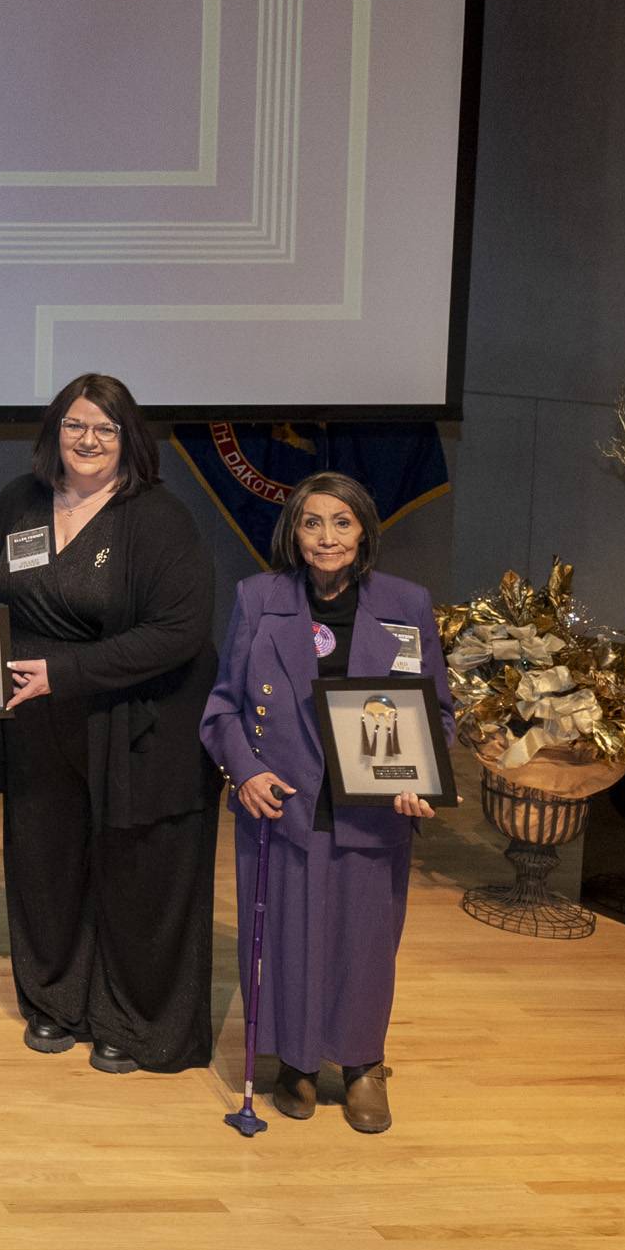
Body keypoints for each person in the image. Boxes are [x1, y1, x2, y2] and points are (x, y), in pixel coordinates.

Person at [0, 372, 218, 1074]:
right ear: (56, 431)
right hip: (34, 721)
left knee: (135, 874)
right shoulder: (19, 501)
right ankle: (57, 1000)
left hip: (136, 721)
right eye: (76, 425)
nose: (88, 440)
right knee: (44, 863)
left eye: (105, 429)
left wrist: (67, 674)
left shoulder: (157, 516)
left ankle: (133, 1019)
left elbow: (180, 630)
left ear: (128, 440)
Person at [201, 472, 447, 1134]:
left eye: (341, 522)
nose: (327, 537)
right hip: (282, 807)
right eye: (313, 522)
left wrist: (419, 781)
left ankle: (363, 1064)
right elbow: (223, 707)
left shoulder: (406, 603)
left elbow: (436, 713)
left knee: (365, 944)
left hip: (373, 810)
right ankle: (298, 1063)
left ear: (364, 530)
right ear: (295, 532)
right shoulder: (258, 599)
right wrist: (246, 771)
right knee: (283, 941)